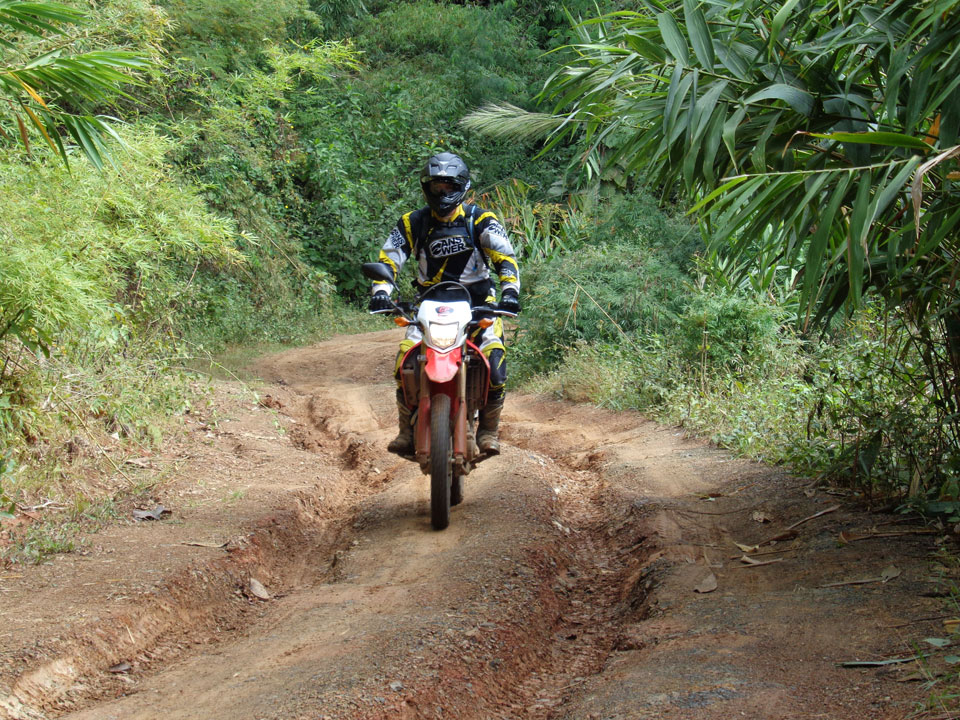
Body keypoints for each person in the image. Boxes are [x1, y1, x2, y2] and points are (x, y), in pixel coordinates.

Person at [369, 152, 521, 456]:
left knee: (496, 363)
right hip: (429, 305)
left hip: (479, 307)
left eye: (449, 187)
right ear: (427, 188)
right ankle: (406, 431)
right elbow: (389, 261)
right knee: (405, 363)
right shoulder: (412, 222)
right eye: (437, 187)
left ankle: (488, 430)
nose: (443, 193)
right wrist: (381, 291)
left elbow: (505, 259)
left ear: (462, 187)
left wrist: (510, 292)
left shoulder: (481, 220)